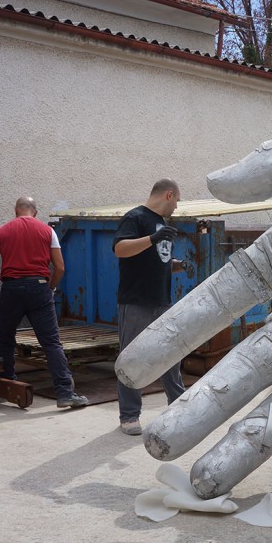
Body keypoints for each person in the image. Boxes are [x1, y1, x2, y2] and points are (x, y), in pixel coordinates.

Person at [0, 196, 89, 409]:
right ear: (35, 212)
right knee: (51, 342)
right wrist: (50, 287)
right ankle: (65, 393)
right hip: (39, 288)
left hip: (11, 290)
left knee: (5, 338)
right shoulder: (48, 231)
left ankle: (6, 382)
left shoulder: (2, 231)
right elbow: (60, 267)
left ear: (15, 210)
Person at [113, 179, 188, 435]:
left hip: (162, 301)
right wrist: (153, 237)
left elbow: (158, 258)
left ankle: (178, 406)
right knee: (132, 357)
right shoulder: (134, 218)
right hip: (135, 301)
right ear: (169, 194)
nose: (176, 207)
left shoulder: (163, 224)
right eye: (176, 200)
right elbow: (120, 249)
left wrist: (178, 265)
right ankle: (130, 415)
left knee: (170, 354)